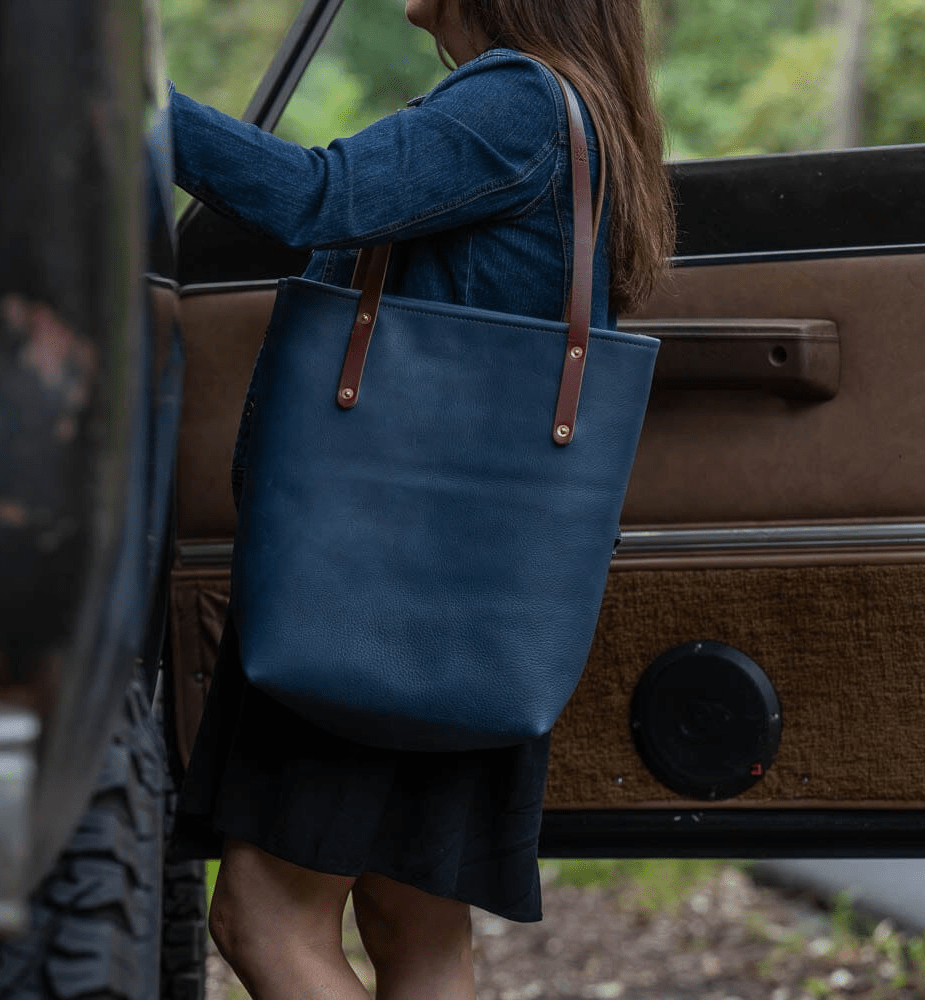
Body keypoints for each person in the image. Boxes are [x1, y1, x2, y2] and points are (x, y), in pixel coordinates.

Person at [169, 1, 674, 997]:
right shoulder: (574, 107)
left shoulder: (516, 99)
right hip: (468, 603)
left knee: (265, 919)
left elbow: (313, 196)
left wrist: (114, 91)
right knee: (415, 926)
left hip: (365, 593)